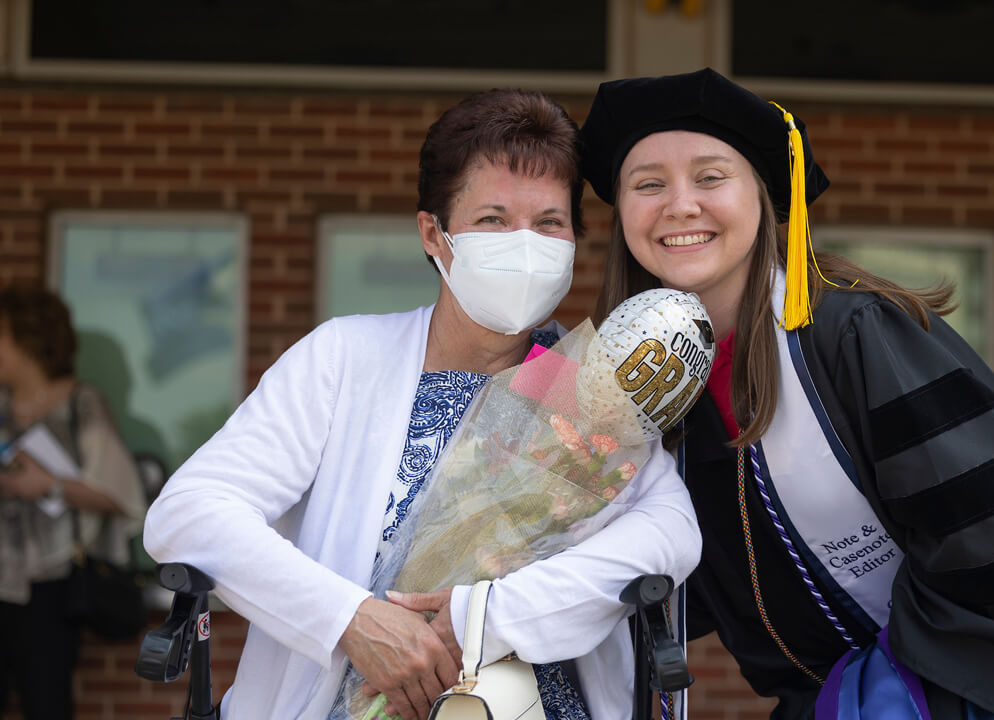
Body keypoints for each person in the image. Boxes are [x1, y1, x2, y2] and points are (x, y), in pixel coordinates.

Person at [579, 68, 994, 720]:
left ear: (765, 197)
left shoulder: (856, 335)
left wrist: (882, 697)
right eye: (648, 184)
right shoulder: (656, 386)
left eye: (711, 177)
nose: (680, 205)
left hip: (966, 692)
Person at [143, 88, 701, 720]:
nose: (524, 244)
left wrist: (488, 617)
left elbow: (670, 534)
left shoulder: (586, 389)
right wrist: (351, 620)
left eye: (548, 223)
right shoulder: (345, 359)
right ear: (434, 233)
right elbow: (190, 513)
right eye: (493, 220)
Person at [0, 286, 147, 720]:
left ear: (28, 340)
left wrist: (48, 485)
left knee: (46, 704)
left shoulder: (81, 405)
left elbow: (120, 494)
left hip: (50, 586)